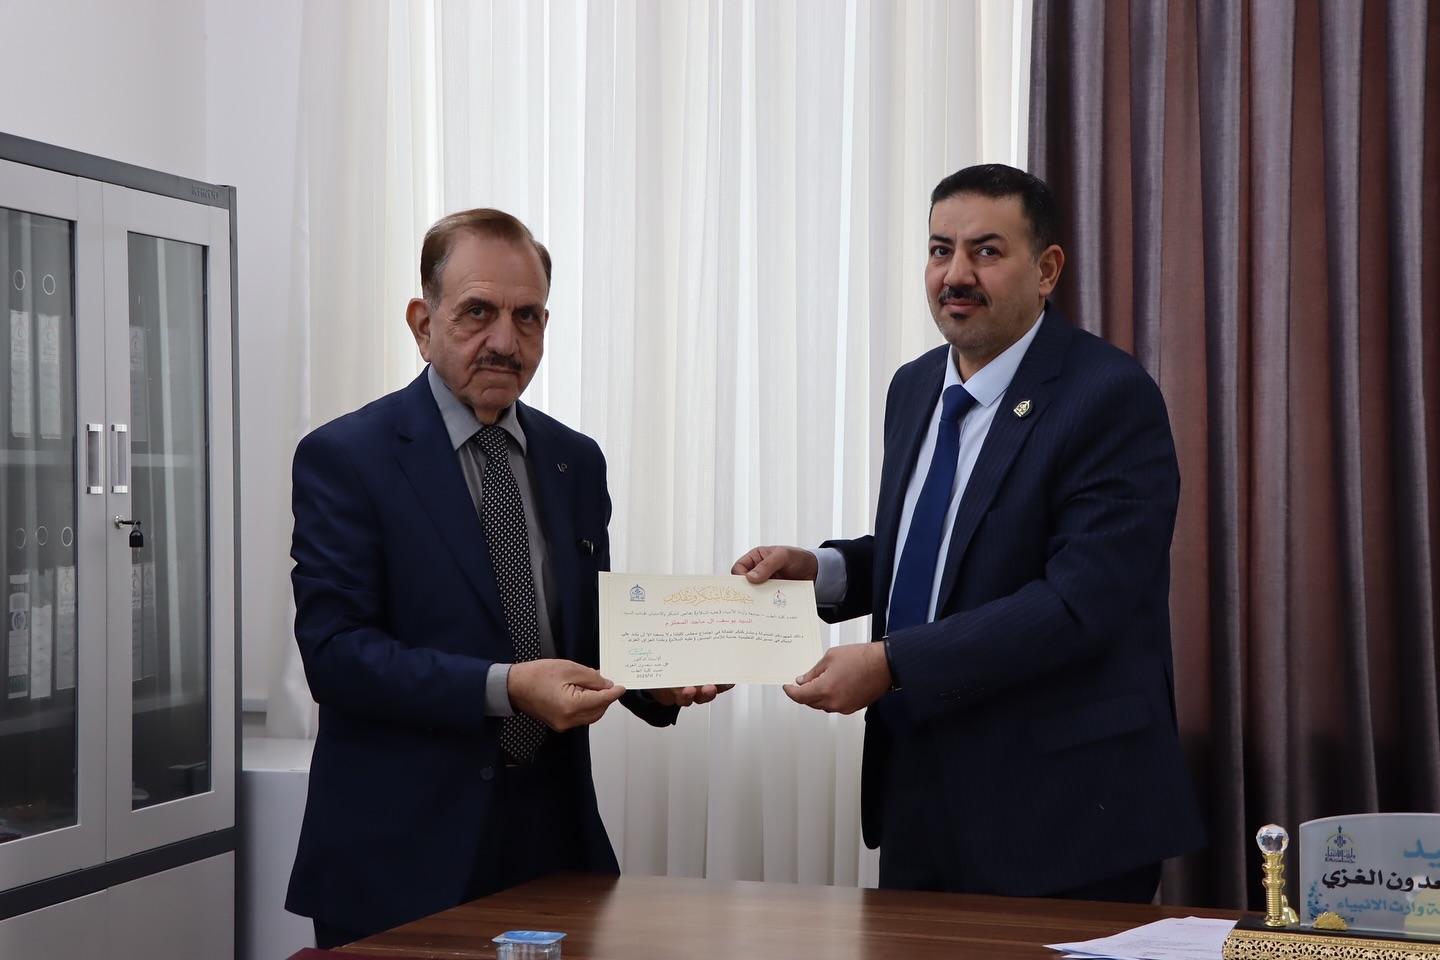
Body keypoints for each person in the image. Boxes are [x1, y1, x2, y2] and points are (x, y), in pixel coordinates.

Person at [733, 164, 1206, 902]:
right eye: (939, 250)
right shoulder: (914, 386)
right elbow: (948, 550)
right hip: (918, 790)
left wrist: (891, 663)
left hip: (1063, 813)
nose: (955, 275)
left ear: (1046, 270)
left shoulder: (1109, 395)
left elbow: (1078, 603)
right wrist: (824, 570)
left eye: (986, 251)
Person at [287, 208, 723, 947]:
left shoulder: (574, 459)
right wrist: (508, 687)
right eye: (477, 312)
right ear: (422, 323)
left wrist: (652, 675)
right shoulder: (347, 457)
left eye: (527, 316)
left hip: (553, 844)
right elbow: (337, 657)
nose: (503, 340)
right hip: (401, 857)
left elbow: (573, 629)